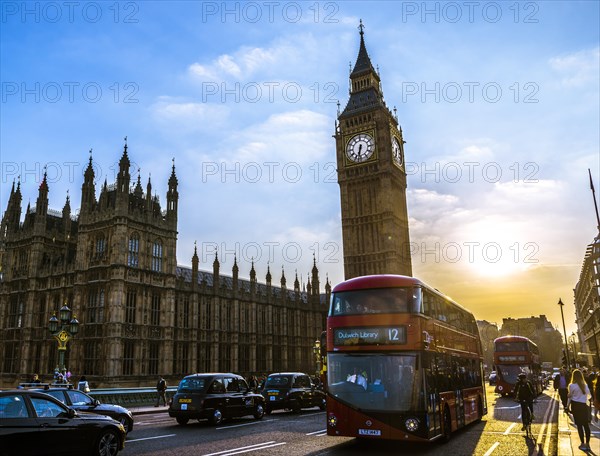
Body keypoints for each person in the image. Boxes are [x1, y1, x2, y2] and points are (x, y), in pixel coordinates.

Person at [566, 368, 592, 451]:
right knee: (586, 425)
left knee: (579, 426)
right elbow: (589, 396)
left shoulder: (571, 385)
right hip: (583, 406)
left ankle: (582, 443)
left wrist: (567, 406)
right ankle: (588, 444)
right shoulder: (585, 385)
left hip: (575, 406)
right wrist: (585, 400)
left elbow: (569, 397)